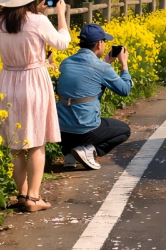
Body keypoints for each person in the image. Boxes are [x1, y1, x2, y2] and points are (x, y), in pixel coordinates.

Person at [0, 0, 71, 213]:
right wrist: (60, 14)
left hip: (7, 82)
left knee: (16, 144)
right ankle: (34, 198)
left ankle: (22, 194)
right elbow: (62, 43)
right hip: (33, 80)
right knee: (36, 142)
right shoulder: (38, 21)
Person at [56, 24, 133, 171]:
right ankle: (89, 150)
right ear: (99, 43)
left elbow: (85, 78)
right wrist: (124, 65)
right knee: (124, 130)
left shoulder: (66, 63)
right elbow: (125, 90)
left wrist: (104, 63)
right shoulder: (102, 68)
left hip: (60, 131)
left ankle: (69, 154)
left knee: (71, 110)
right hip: (85, 130)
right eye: (104, 41)